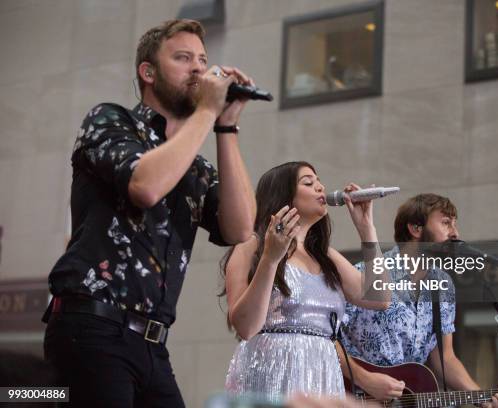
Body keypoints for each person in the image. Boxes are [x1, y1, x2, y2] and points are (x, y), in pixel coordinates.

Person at [42, 19, 256, 407]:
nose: (198, 68)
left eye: (203, 59)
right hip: (93, 327)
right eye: (183, 58)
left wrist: (226, 128)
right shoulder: (110, 121)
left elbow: (240, 228)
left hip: (153, 344)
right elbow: (146, 186)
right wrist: (206, 112)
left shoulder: (196, 166)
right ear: (148, 72)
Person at [223, 161, 390, 402]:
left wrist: (366, 228)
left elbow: (380, 298)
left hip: (323, 370)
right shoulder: (252, 245)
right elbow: (245, 327)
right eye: (309, 183)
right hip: (273, 371)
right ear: (284, 195)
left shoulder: (324, 254)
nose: (321, 187)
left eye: (319, 181)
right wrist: (270, 259)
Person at [340, 193, 498, 408]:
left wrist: (479, 394)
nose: (455, 233)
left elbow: (445, 358)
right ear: (415, 229)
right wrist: (365, 379)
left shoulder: (443, 285)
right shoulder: (365, 274)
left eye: (454, 224)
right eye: (446, 223)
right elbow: (327, 340)